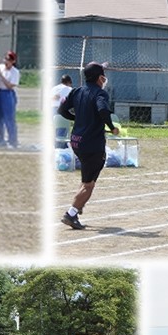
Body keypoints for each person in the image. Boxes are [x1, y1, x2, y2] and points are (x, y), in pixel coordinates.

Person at [59, 61, 119, 230]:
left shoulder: (76, 91)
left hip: (76, 141)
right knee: (89, 184)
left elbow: (62, 111)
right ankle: (71, 213)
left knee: (86, 179)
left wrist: (77, 119)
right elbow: (102, 110)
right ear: (100, 77)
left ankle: (77, 208)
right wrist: (112, 127)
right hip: (92, 143)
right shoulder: (100, 94)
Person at [0, 50, 20, 147]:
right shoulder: (0, 67)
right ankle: (0, 139)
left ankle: (12, 140)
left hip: (8, 94)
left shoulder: (15, 72)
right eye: (6, 59)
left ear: (13, 61)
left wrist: (1, 76)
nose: (7, 61)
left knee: (9, 118)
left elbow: (10, 86)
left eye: (9, 60)